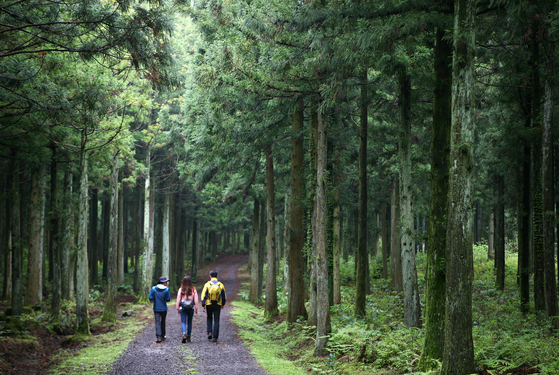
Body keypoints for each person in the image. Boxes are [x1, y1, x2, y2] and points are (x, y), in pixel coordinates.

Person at [201, 270, 227, 342]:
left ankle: (209, 332)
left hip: (209, 304)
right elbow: (224, 296)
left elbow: (203, 295)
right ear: (217, 276)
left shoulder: (207, 284)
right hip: (218, 304)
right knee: (216, 320)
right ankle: (215, 337)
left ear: (210, 276)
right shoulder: (220, 285)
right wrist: (222, 304)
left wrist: (203, 305)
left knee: (209, 318)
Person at [176, 275, 199, 343]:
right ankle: (188, 336)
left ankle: (184, 334)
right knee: (189, 322)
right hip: (191, 308)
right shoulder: (193, 289)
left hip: (183, 308)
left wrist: (177, 308)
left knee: (183, 321)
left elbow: (178, 300)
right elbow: (196, 300)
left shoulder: (181, 289)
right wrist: (196, 309)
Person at [148, 276, 171, 343]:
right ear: (163, 282)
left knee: (157, 322)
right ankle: (163, 335)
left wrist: (155, 299)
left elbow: (150, 298)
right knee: (163, 321)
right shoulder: (166, 289)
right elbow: (168, 299)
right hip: (164, 308)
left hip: (156, 308)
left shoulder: (154, 289)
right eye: (166, 281)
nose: (166, 283)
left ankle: (158, 336)